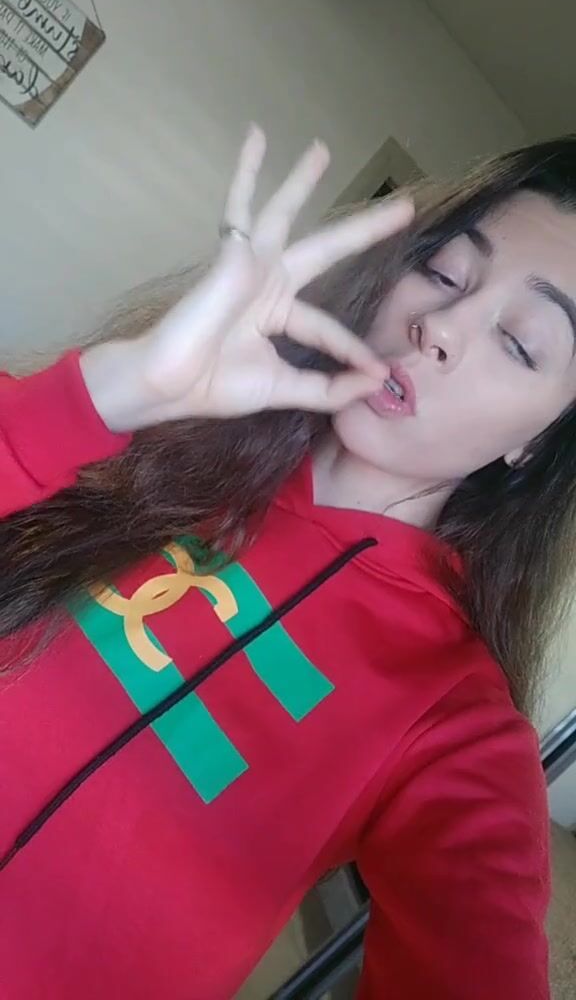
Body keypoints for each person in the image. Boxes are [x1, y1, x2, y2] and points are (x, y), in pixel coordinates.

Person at [1, 125, 574, 1000]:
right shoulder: (170, 430)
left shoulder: (457, 724)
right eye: (444, 273)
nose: (441, 327)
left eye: (522, 342)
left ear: (538, 442)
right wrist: (112, 392)